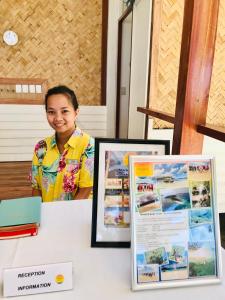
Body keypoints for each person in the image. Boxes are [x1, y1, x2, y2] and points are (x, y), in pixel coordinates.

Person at [31, 85, 94, 201]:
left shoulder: (89, 146)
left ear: (76, 112)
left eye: (64, 111)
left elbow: (85, 191)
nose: (58, 118)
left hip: (75, 215)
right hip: (47, 216)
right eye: (51, 112)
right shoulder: (41, 147)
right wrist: (38, 216)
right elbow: (36, 188)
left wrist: (64, 218)